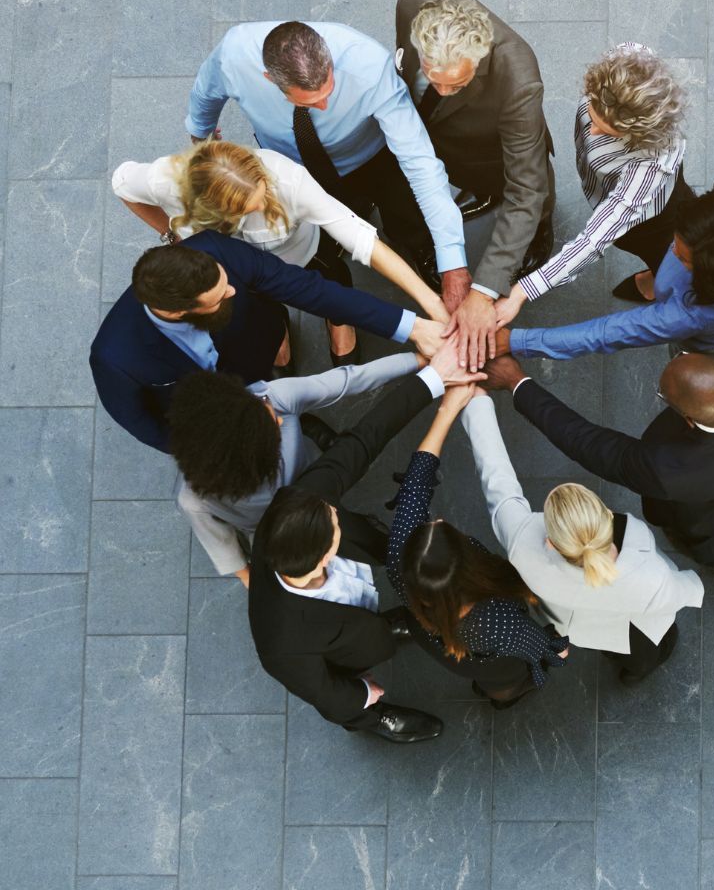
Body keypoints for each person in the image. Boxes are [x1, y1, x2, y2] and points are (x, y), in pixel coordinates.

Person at [186, 19, 476, 359]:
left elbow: (420, 162)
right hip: (290, 165)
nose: (324, 108)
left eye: (329, 92)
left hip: (369, 157)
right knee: (310, 242)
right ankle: (334, 302)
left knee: (405, 212)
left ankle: (423, 254)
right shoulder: (234, 54)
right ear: (269, 79)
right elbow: (205, 93)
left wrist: (452, 262)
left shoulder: (369, 65)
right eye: (311, 103)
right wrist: (202, 140)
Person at [248, 366, 469, 744]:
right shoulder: (281, 644)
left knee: (388, 560)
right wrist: (363, 696)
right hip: (351, 648)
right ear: (324, 557)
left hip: (355, 588)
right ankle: (375, 720)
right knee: (359, 689)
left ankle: (398, 620)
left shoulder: (294, 504)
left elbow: (365, 439)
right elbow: (324, 693)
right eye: (335, 525)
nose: (337, 511)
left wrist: (433, 378)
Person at [482, 350, 714, 574]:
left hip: (704, 512)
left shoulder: (665, 468)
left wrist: (517, 381)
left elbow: (584, 441)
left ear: (686, 418)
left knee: (705, 541)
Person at [91, 234, 445, 452]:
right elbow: (148, 427)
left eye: (226, 284)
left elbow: (309, 289)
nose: (232, 291)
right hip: (216, 407)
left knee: (277, 371)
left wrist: (412, 328)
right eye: (218, 298)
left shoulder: (216, 250)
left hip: (256, 341)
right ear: (176, 312)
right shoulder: (115, 358)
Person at [113, 138, 447, 366]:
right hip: (231, 277)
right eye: (246, 209)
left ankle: (339, 320)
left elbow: (358, 236)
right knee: (254, 317)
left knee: (332, 283)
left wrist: (430, 301)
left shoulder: (287, 180)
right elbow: (122, 184)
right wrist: (170, 233)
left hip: (301, 260)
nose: (261, 206)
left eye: (261, 196)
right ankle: (277, 333)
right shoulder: (164, 180)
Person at [166, 346, 465, 587]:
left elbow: (349, 380)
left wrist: (418, 360)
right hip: (277, 524)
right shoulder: (192, 499)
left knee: (357, 526)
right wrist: (252, 580)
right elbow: (223, 546)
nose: (279, 418)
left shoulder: (270, 396)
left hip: (311, 471)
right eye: (272, 426)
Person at [460, 393, 704, 684]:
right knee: (648, 652)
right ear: (605, 515)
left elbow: (496, 477)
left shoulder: (522, 543)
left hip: (583, 627)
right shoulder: (651, 575)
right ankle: (637, 671)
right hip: (638, 623)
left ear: (550, 542)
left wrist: (475, 402)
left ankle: (632, 669)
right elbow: (677, 592)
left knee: (617, 650)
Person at [395, 0, 558, 369]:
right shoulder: (412, 0)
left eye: (458, 84)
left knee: (529, 201)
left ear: (480, 58)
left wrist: (484, 291)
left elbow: (526, 188)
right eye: (435, 79)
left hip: (497, 151)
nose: (443, 89)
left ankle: (538, 239)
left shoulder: (518, 76)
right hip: (452, 145)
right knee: (473, 178)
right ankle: (483, 192)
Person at [387, 384, 570, 709]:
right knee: (507, 682)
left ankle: (496, 695)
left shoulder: (401, 556)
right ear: (468, 567)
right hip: (492, 656)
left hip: (435, 638)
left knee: (490, 681)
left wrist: (448, 409)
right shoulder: (496, 619)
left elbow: (415, 487)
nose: (439, 522)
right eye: (444, 531)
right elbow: (533, 644)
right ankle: (503, 698)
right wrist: (557, 648)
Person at [488, 42, 690, 326]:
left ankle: (659, 281)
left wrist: (523, 291)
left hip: (649, 221)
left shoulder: (650, 165)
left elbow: (594, 240)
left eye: (607, 131)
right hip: (610, 188)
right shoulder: (624, 64)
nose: (592, 131)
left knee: (663, 253)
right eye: (592, 116)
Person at [501, 182, 714, 367]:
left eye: (684, 259)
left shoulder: (690, 314)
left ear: (712, 275)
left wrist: (516, 341)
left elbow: (607, 333)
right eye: (676, 242)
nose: (672, 252)